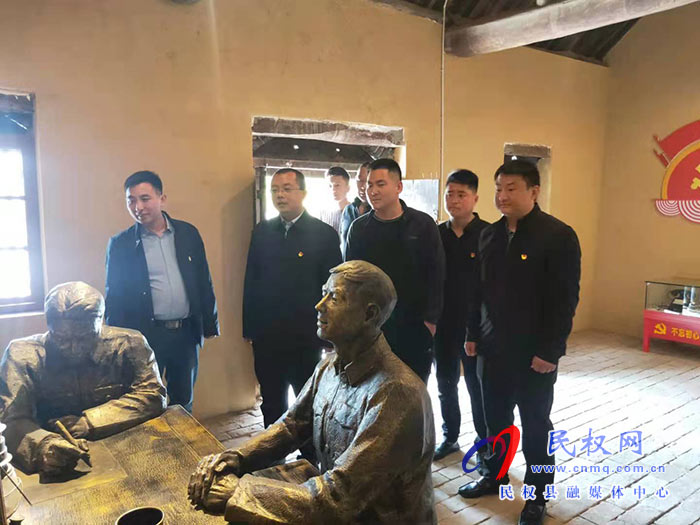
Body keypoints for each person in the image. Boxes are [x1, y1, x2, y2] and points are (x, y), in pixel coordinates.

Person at [189, 261, 436, 524]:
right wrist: (234, 458)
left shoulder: (398, 395)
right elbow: (291, 426)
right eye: (323, 294)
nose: (319, 305)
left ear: (369, 314)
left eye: (335, 298)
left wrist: (239, 493)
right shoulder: (328, 367)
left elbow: (338, 497)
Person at [458, 160, 581, 525]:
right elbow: (477, 291)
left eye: (511, 188)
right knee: (494, 421)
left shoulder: (558, 235)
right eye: (499, 188)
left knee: (536, 426)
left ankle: (537, 495)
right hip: (492, 349)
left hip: (533, 354)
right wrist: (472, 334)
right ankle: (493, 475)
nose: (502, 195)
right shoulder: (489, 235)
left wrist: (550, 351)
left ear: (534, 191)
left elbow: (564, 300)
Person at [0, 282, 166, 476]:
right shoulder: (22, 356)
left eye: (85, 338)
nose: (74, 348)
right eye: (62, 339)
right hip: (57, 461)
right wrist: (44, 446)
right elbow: (10, 420)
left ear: (100, 323)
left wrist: (89, 422)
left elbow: (153, 395)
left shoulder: (129, 344)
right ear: (49, 326)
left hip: (127, 446)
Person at [105, 170, 219, 413]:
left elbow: (203, 280)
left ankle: (182, 438)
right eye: (131, 200)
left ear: (162, 199)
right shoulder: (121, 244)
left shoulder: (188, 233)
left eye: (145, 198)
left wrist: (210, 324)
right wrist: (118, 341)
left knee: (183, 401)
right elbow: (114, 296)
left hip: (185, 334)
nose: (138, 207)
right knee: (145, 401)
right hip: (146, 337)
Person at [243, 168, 342, 428]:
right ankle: (273, 449)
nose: (280, 195)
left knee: (307, 402)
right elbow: (252, 280)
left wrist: (331, 331)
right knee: (271, 401)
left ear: (303, 193)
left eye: (287, 189)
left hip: (306, 336)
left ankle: (309, 450)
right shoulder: (262, 231)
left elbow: (333, 289)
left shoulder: (323, 234)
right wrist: (250, 328)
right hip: (268, 336)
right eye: (275, 190)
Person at [345, 158, 445, 383]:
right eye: (369, 185)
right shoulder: (359, 229)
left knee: (413, 391)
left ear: (398, 187)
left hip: (415, 326)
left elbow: (436, 275)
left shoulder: (423, 225)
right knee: (372, 391)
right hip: (372, 328)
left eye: (380, 184)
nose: (373, 191)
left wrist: (430, 322)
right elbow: (351, 279)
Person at [433, 170, 490, 462]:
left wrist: (478, 329)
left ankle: (484, 442)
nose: (453, 200)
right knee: (445, 383)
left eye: (461, 195)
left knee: (477, 388)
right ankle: (450, 437)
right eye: (449, 194)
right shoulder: (437, 234)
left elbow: (491, 288)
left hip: (476, 328)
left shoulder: (488, 235)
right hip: (443, 324)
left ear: (475, 198)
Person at [340, 161, 371, 253]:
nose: (363, 187)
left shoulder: (380, 213)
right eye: (360, 180)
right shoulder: (348, 210)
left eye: (368, 182)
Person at [319, 166, 351, 234]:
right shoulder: (322, 213)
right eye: (330, 186)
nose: (333, 189)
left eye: (337, 185)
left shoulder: (355, 211)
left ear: (348, 188)